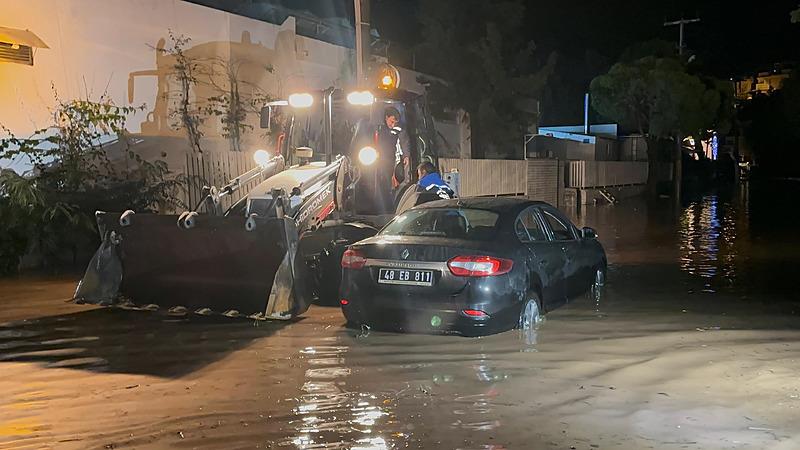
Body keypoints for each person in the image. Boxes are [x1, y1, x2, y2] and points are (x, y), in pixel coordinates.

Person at [375, 107, 410, 189]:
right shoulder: (377, 128)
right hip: (376, 159)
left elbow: (404, 141)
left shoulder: (398, 130)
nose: (393, 125)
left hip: (390, 160)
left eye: (395, 123)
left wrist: (406, 155)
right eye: (391, 122)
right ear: (386, 117)